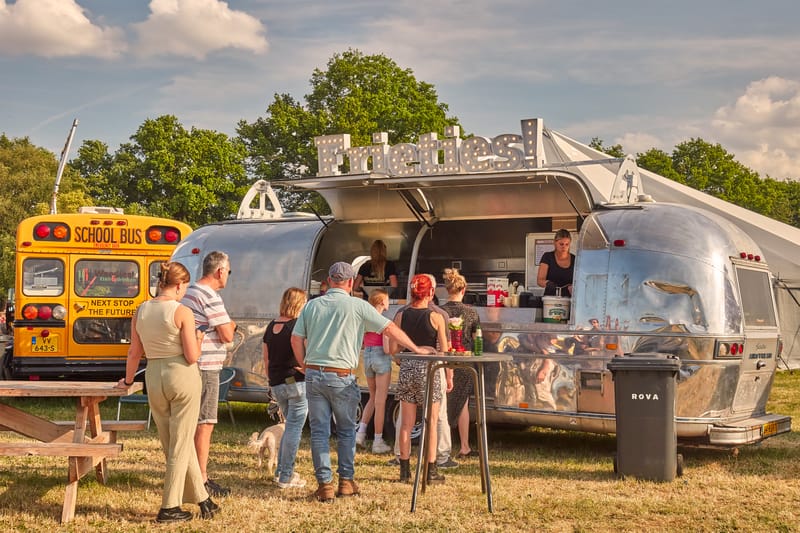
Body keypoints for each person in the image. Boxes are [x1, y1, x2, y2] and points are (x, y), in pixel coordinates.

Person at [291, 261, 433, 503]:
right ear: (350, 282)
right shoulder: (358, 306)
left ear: (329, 280)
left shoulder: (312, 305)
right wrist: (416, 348)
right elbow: (389, 329)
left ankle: (324, 485)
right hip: (341, 376)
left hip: (314, 374)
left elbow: (296, 339)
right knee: (347, 431)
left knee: (319, 432)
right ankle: (346, 482)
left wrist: (304, 365)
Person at [117, 262, 219, 523]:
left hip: (153, 375)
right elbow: (192, 356)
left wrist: (127, 380)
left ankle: (203, 499)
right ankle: (169, 507)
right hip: (181, 375)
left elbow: (134, 352)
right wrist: (199, 338)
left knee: (173, 442)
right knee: (180, 444)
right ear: (179, 285)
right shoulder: (182, 311)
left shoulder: (141, 310)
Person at [181, 251, 237, 498]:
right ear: (220, 271)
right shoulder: (210, 296)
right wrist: (230, 325)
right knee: (205, 423)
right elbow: (227, 335)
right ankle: (201, 479)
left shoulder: (191, 292)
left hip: (193, 365)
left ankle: (194, 475)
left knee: (195, 422)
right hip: (206, 366)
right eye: (229, 271)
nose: (228, 276)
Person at [388, 274, 453, 484]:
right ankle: (430, 470)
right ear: (430, 293)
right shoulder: (436, 317)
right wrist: (433, 354)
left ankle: (404, 471)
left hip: (408, 368)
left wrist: (404, 357)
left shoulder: (401, 315)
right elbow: (444, 350)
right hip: (429, 369)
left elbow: (393, 349)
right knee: (431, 421)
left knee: (406, 424)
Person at [262, 287, 308, 489]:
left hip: (277, 383)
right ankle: (286, 476)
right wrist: (306, 368)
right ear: (299, 303)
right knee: (294, 430)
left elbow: (266, 359)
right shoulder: (296, 326)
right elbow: (301, 351)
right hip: (295, 382)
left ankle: (281, 471)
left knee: (289, 427)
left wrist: (271, 379)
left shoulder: (271, 326)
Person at [440, 267, 481, 459]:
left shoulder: (440, 312)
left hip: (443, 359)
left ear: (446, 289)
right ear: (463, 290)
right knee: (463, 403)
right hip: (464, 361)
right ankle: (464, 446)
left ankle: (441, 445)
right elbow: (476, 337)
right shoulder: (471, 313)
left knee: (441, 403)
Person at [355, 288, 393, 454]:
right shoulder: (383, 321)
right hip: (381, 358)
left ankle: (360, 434)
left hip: (368, 357)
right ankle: (378, 441)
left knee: (372, 396)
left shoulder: (365, 321)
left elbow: (362, 343)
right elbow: (386, 349)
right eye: (387, 300)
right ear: (382, 302)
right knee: (380, 401)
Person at [537, 228, 575, 297]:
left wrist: (574, 286)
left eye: (567, 244)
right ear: (554, 243)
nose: (564, 247)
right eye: (561, 244)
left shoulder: (575, 259)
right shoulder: (547, 257)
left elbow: (581, 281)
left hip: (569, 299)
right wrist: (547, 283)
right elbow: (540, 280)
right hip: (550, 299)